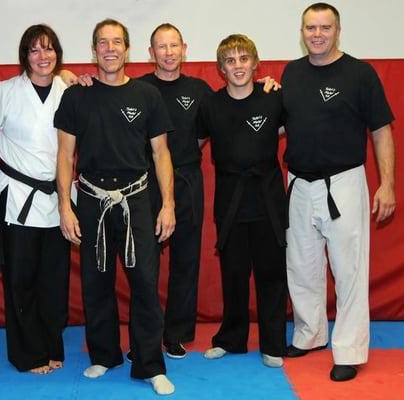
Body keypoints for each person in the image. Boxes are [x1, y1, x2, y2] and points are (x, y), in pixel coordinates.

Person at [54, 19, 176, 395]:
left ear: (128, 49)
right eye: (103, 43)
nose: (110, 49)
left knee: (143, 282)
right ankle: (104, 355)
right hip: (91, 199)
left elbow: (161, 153)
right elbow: (64, 154)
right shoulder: (76, 96)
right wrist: (65, 207)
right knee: (96, 282)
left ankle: (149, 363)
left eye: (117, 42)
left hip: (137, 200)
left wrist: (168, 204)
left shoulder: (146, 96)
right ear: (94, 51)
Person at [283, 3, 395, 381]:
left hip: (344, 181)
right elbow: (283, 124)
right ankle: (310, 334)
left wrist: (388, 184)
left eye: (324, 27)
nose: (317, 34)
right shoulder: (292, 72)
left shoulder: (360, 73)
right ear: (302, 32)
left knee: (348, 268)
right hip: (298, 181)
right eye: (310, 27)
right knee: (301, 265)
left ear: (338, 31)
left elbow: (381, 131)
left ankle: (348, 348)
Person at [197, 34, 288, 368]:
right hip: (230, 198)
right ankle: (231, 339)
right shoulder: (211, 105)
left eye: (243, 59)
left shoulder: (273, 99)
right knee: (233, 273)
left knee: (271, 273)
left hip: (268, 199)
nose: (238, 66)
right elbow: (194, 142)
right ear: (221, 68)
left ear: (255, 63)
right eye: (230, 61)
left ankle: (273, 343)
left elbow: (288, 130)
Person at [0, 24, 70, 375]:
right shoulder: (5, 91)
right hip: (17, 197)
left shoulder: (67, 90)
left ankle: (52, 345)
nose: (43, 56)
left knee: (53, 281)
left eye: (49, 49)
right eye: (36, 50)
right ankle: (27, 354)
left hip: (56, 198)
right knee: (20, 280)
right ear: (25, 55)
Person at [137, 23, 213, 359]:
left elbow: (210, 130)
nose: (168, 53)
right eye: (160, 47)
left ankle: (176, 333)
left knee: (186, 259)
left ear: (184, 48)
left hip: (187, 179)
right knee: (144, 262)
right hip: (144, 184)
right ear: (150, 53)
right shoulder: (136, 88)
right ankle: (146, 334)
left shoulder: (199, 89)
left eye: (173, 46)